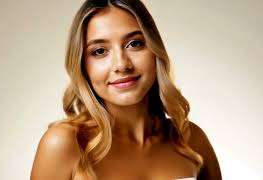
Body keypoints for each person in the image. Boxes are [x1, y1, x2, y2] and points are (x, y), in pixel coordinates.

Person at [30, 0, 222, 179]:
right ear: (82, 66)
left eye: (134, 44)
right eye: (99, 51)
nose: (121, 65)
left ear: (155, 50)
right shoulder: (64, 143)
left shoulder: (191, 140)